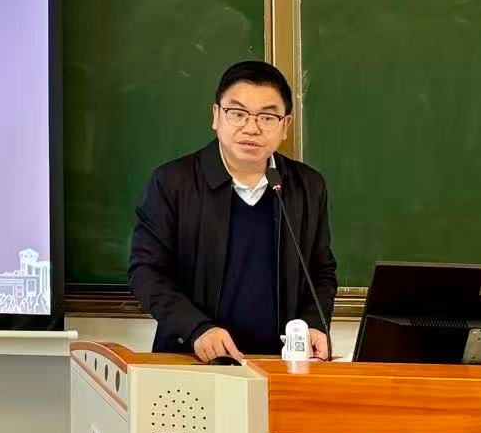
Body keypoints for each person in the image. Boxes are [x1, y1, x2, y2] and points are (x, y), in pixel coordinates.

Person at [128, 60, 337, 363]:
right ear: (216, 116)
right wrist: (197, 329)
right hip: (192, 360)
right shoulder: (173, 183)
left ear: (285, 125)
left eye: (267, 117)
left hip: (281, 364)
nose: (251, 128)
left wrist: (314, 324)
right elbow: (146, 272)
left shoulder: (307, 186)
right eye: (237, 114)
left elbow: (321, 272)